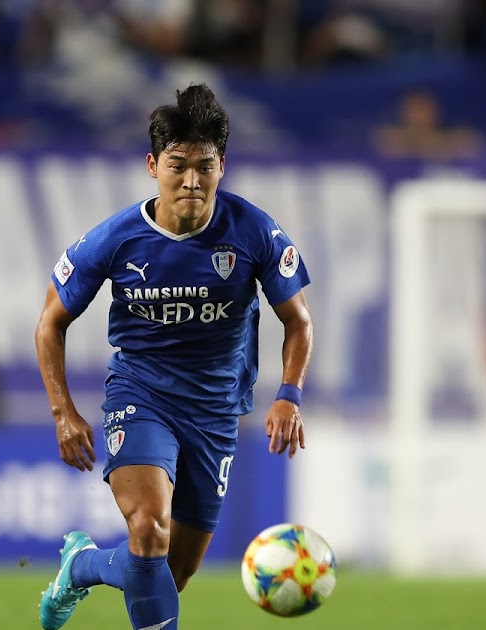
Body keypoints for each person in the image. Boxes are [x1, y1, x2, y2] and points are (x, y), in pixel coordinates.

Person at [34, 83, 313, 630]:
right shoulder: (115, 239)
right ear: (152, 165)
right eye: (177, 165)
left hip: (214, 413)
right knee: (147, 530)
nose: (191, 181)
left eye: (204, 166)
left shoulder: (254, 231)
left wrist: (288, 394)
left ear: (222, 167)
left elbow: (297, 322)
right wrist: (63, 411)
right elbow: (51, 323)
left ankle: (81, 565)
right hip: (142, 396)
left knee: (171, 571)